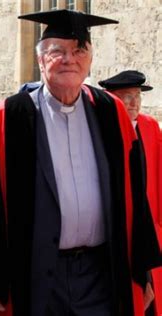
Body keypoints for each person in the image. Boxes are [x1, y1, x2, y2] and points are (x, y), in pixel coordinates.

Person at [0, 10, 162, 316]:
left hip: (101, 273)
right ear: (41, 61)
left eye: (79, 51)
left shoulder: (110, 112)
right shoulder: (6, 116)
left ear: (89, 60)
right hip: (33, 275)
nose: (69, 59)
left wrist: (143, 271)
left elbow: (134, 197)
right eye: (57, 51)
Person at [99, 70, 162, 316]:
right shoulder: (104, 128)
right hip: (118, 221)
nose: (134, 103)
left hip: (149, 222)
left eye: (137, 96)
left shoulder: (148, 126)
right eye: (127, 96)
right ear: (112, 98)